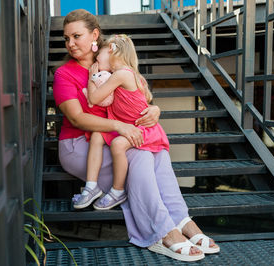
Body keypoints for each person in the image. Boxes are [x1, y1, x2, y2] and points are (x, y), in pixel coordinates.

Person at [53, 9, 219, 262]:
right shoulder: (64, 73)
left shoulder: (113, 63)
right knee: (141, 155)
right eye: (66, 38)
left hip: (110, 140)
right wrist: (121, 127)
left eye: (76, 36)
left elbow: (137, 97)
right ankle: (163, 232)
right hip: (80, 146)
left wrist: (154, 109)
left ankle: (184, 222)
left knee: (157, 151)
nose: (70, 43)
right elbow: (77, 118)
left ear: (95, 35)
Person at [84, 35, 169, 211]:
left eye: (98, 54)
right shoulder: (129, 75)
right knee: (97, 135)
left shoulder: (121, 75)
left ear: (112, 51)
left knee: (117, 144)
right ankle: (91, 185)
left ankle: (118, 190)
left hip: (144, 129)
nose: (96, 59)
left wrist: (93, 77)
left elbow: (93, 98)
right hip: (132, 125)